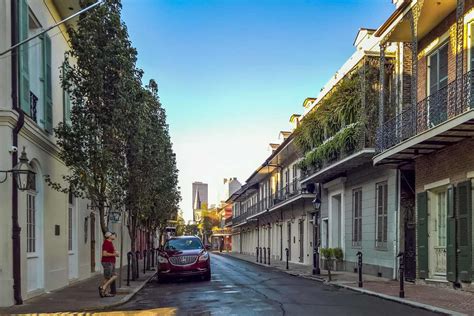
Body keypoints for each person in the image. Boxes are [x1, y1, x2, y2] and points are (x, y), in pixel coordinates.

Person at [99, 231, 119, 298]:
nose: (114, 236)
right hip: (107, 262)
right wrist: (114, 254)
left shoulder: (110, 243)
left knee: (107, 278)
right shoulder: (106, 243)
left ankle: (104, 291)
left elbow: (112, 252)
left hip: (111, 262)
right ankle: (103, 287)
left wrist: (115, 253)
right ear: (109, 236)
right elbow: (104, 254)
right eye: (112, 235)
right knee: (112, 276)